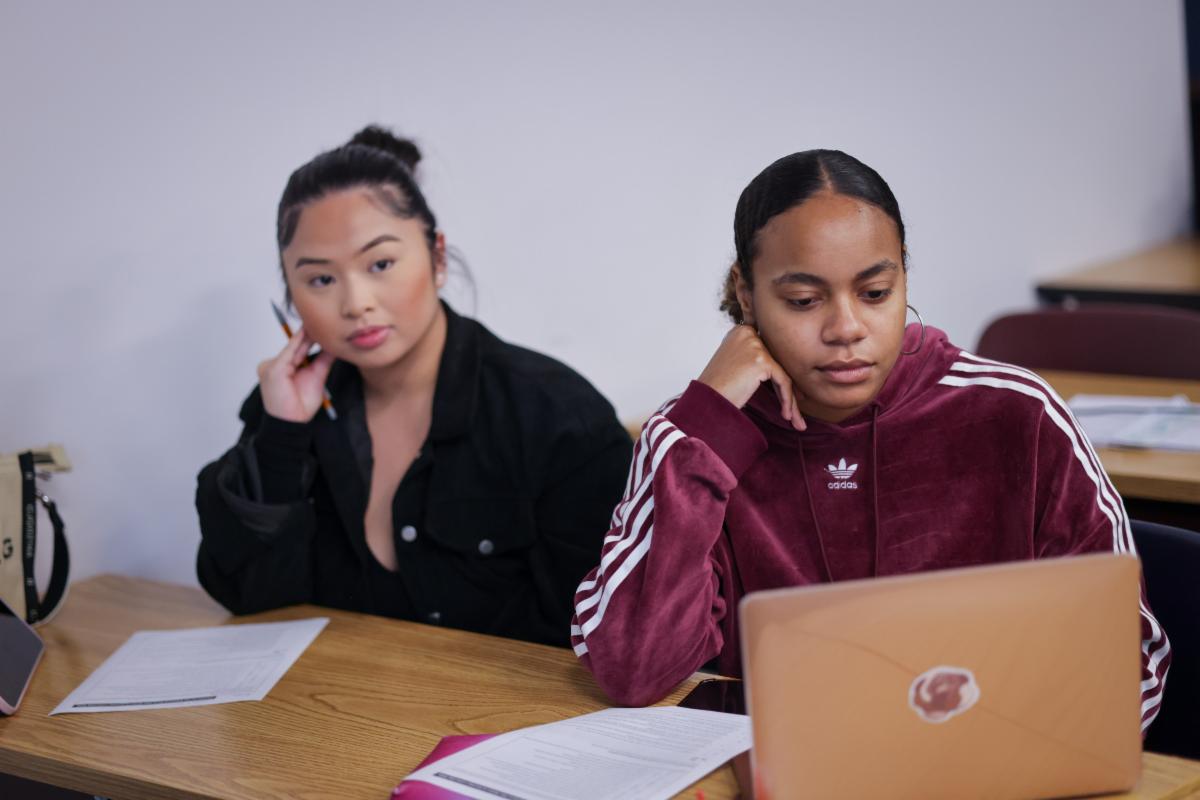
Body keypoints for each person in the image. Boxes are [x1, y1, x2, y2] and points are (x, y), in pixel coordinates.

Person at [569, 149, 1170, 732]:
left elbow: (1126, 660)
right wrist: (703, 427)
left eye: (876, 292)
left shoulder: (1015, 413)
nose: (847, 328)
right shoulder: (696, 435)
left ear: (904, 272)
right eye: (803, 301)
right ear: (747, 294)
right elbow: (633, 669)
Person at [196, 126, 632, 647]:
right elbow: (250, 602)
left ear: (438, 257)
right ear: (290, 296)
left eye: (380, 264)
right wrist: (282, 437)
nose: (355, 302)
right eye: (320, 279)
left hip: (509, 725)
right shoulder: (287, 411)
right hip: (330, 715)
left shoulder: (554, 413)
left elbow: (613, 640)